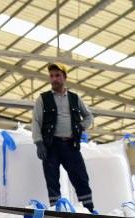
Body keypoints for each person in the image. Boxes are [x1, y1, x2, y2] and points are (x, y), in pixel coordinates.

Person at [31, 63, 95, 210]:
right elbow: (36, 121)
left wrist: (80, 127)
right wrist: (39, 143)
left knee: (81, 178)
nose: (54, 79)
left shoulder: (74, 98)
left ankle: (89, 210)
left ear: (64, 77)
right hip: (51, 146)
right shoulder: (43, 99)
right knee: (52, 181)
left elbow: (88, 116)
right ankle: (57, 212)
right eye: (51, 76)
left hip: (71, 145)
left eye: (57, 75)